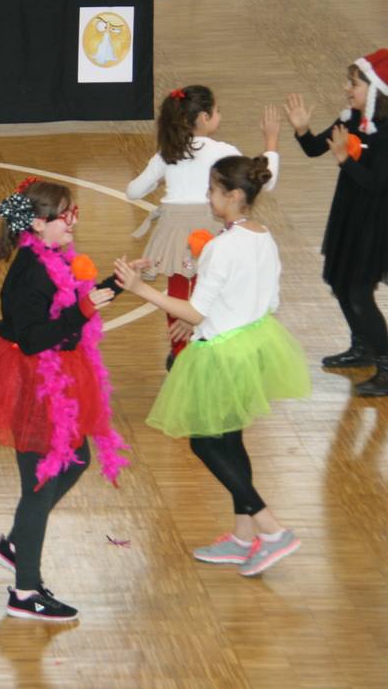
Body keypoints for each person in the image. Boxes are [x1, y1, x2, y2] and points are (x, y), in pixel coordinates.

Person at [115, 155, 311, 577]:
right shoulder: (263, 235)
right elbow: (268, 298)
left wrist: (138, 290)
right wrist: (207, 304)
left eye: (212, 191)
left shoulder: (222, 247)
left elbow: (197, 311)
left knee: (205, 441)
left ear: (234, 196)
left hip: (221, 353)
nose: (208, 197)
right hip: (254, 345)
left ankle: (271, 529)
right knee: (231, 439)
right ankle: (243, 538)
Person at [0, 179, 129, 622]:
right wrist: (86, 309)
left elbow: (69, 309)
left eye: (74, 213)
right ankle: (25, 592)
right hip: (35, 385)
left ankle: (16, 543)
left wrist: (117, 284)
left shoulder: (53, 257)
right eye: (66, 215)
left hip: (58, 378)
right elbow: (36, 339)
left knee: (76, 459)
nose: (74, 221)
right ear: (38, 224)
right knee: (39, 487)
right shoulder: (31, 270)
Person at [126, 86, 280, 366]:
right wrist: (271, 142)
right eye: (217, 111)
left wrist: (159, 180)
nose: (219, 115)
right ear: (204, 118)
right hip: (209, 229)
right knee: (207, 289)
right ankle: (205, 346)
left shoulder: (166, 155)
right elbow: (262, 180)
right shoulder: (223, 152)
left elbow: (133, 191)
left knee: (177, 291)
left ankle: (179, 350)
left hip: (175, 232)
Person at [285, 48, 388, 396]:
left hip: (376, 225)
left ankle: (386, 366)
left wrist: (345, 160)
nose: (347, 89)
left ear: (375, 90)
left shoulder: (386, 130)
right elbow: (317, 148)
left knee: (359, 293)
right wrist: (302, 130)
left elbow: (377, 185)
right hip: (349, 216)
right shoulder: (352, 120)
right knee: (342, 285)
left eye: (354, 83)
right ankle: (362, 348)